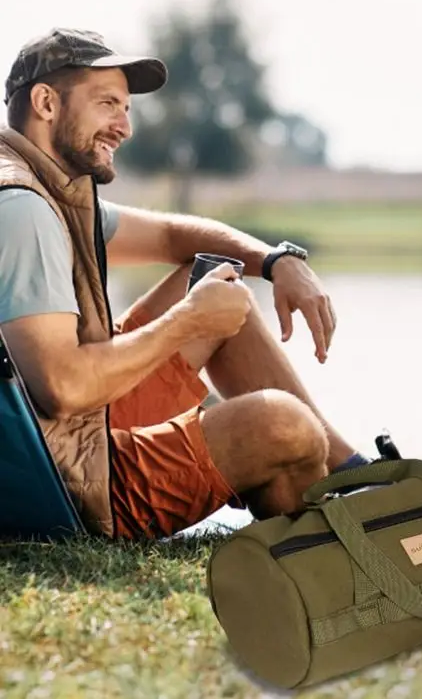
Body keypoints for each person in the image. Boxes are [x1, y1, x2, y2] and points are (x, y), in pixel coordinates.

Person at [0, 28, 376, 540]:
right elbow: (63, 388)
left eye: (126, 108)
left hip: (61, 442)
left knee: (214, 278)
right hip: (68, 487)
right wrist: (188, 322)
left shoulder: (47, 188)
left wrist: (275, 260)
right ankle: (339, 529)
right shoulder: (24, 209)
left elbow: (175, 235)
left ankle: (353, 473)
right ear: (45, 102)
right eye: (108, 103)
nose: (124, 127)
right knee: (283, 426)